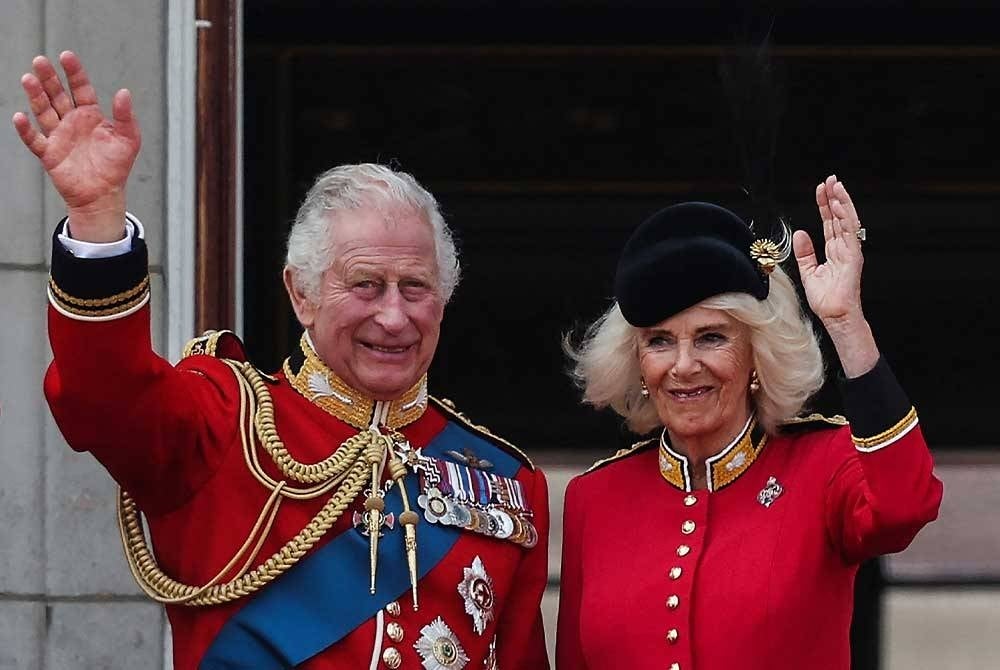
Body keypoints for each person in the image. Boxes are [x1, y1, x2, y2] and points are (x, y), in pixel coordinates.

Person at [14, 51, 549, 670]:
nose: (395, 316)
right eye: (366, 285)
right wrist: (97, 220)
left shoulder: (505, 482)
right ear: (302, 293)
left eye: (417, 287)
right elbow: (103, 395)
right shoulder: (224, 423)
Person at [556, 185, 943, 669]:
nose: (683, 365)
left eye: (711, 337)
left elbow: (907, 506)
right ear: (635, 362)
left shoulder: (822, 464)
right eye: (659, 342)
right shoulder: (595, 498)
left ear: (757, 354)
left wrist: (846, 325)